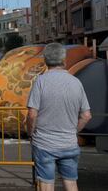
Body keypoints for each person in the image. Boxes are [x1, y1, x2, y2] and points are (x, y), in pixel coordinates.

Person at [27, 43, 92, 191]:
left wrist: (31, 133)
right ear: (64, 60)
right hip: (69, 143)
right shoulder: (76, 83)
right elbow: (87, 115)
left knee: (46, 183)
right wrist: (73, 130)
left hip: (44, 144)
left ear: (45, 60)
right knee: (71, 183)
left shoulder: (40, 82)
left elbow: (32, 114)